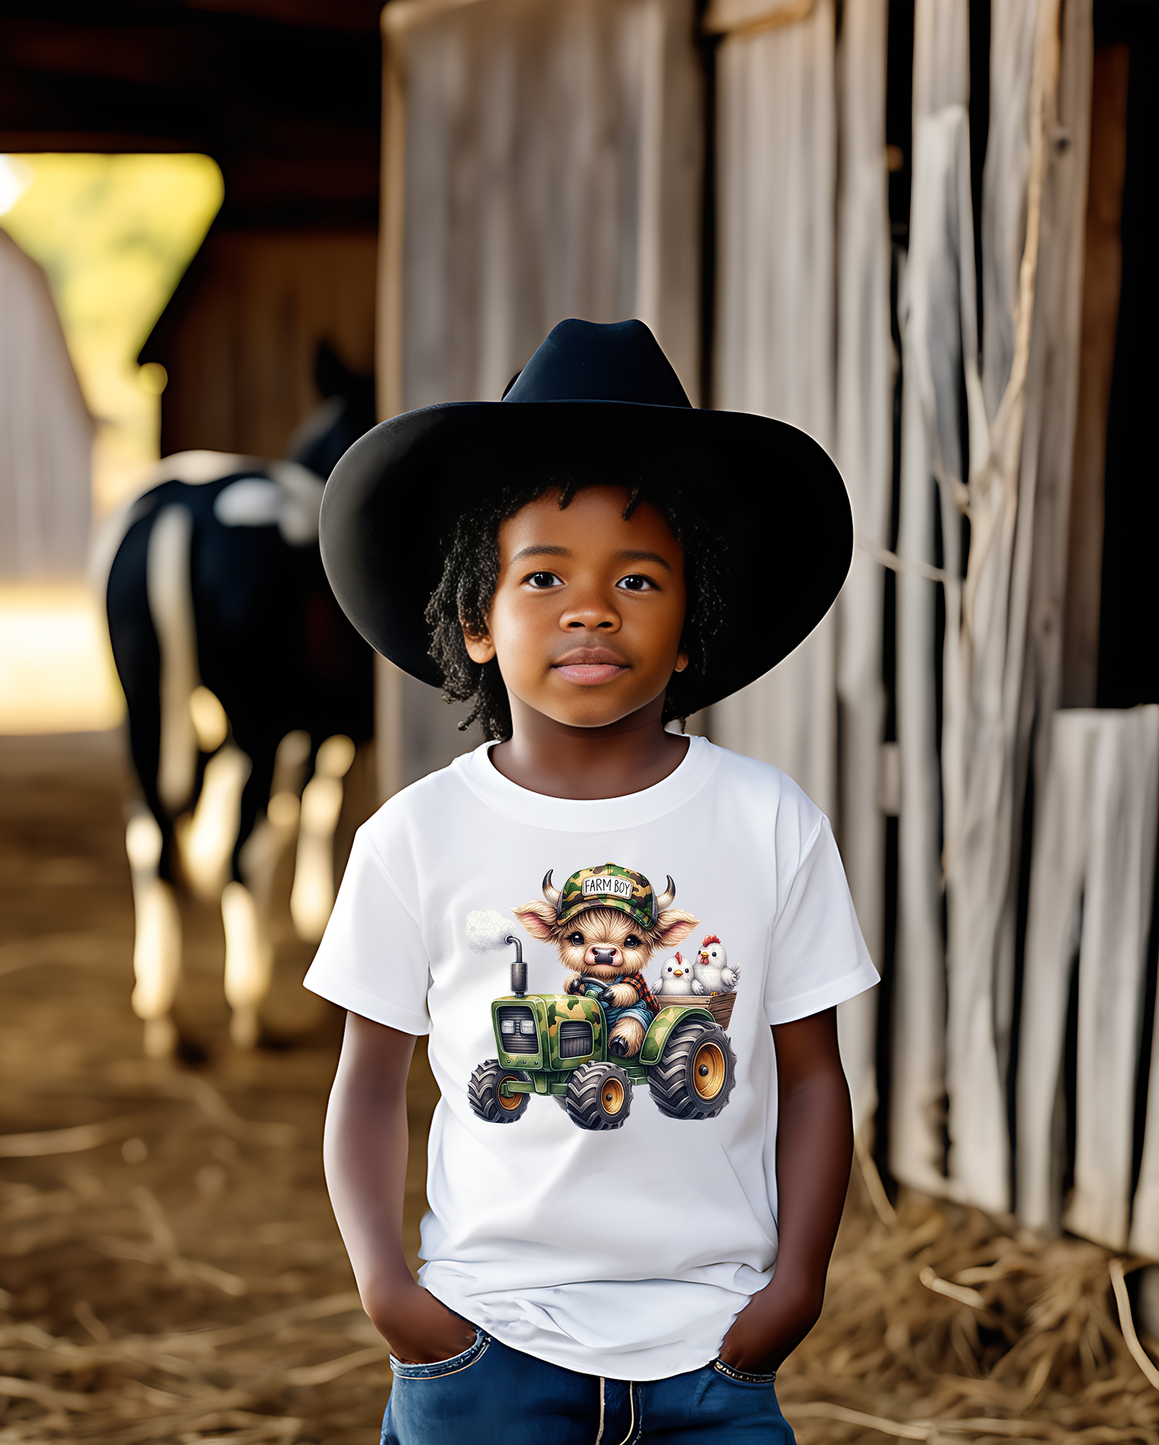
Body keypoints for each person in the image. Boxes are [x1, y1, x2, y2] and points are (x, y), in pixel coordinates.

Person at [307, 319, 877, 1444]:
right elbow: (370, 1083)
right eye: (541, 575)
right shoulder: (413, 835)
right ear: (476, 619)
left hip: (713, 1356)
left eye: (636, 575)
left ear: (687, 625)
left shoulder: (769, 823)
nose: (589, 606)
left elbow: (812, 1078)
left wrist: (792, 1286)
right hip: (482, 1345)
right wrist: (394, 1295)